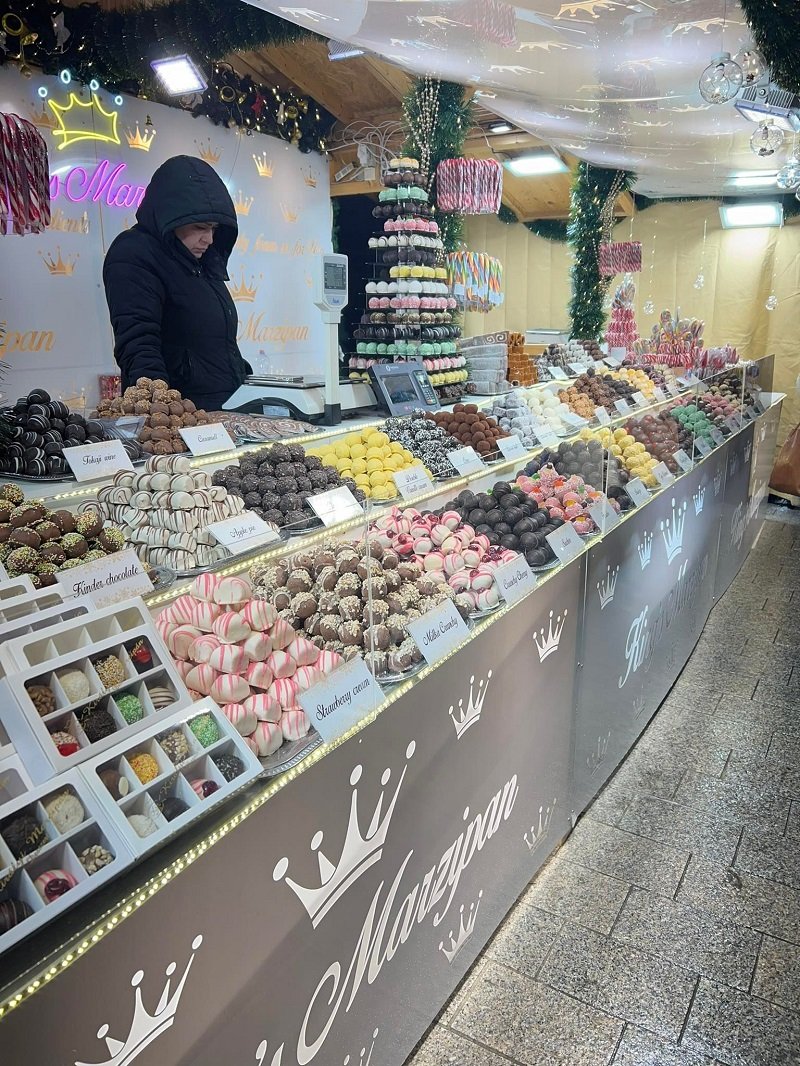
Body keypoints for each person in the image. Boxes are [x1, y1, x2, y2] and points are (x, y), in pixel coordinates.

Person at [103, 155, 250, 410]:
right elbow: (139, 343)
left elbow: (216, 347)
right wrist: (160, 412)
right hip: (182, 414)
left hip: (223, 408)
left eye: (214, 228)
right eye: (200, 226)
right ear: (171, 218)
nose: (209, 239)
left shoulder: (200, 261)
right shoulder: (135, 253)